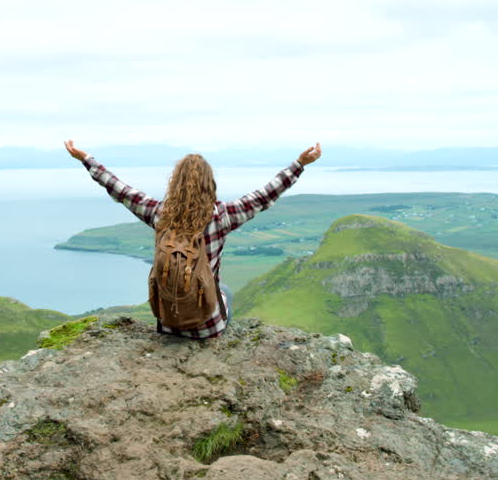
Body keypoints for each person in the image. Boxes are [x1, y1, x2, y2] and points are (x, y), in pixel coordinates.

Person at [64, 139, 322, 339]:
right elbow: (266, 194)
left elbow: (119, 188)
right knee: (227, 291)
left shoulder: (159, 214)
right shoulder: (222, 215)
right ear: (209, 184)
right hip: (207, 328)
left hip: (168, 325)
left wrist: (86, 158)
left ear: (174, 183)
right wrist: (299, 164)